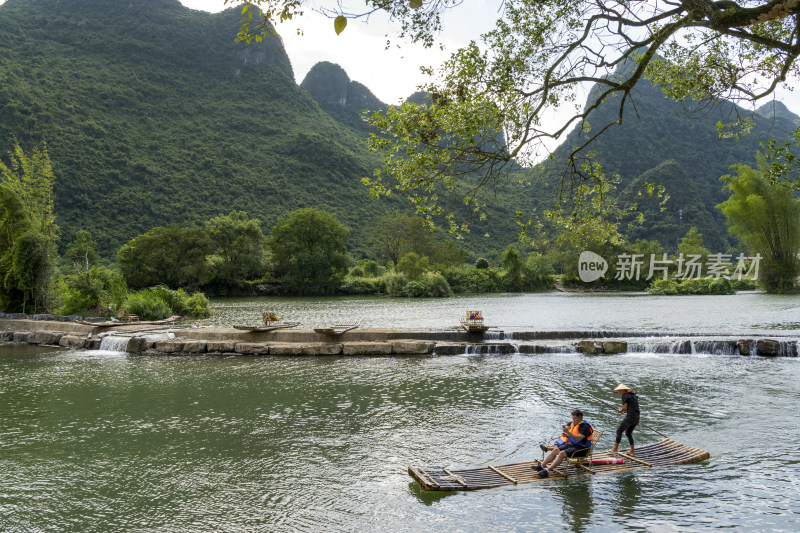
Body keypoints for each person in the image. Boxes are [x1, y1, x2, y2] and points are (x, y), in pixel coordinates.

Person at [533, 409, 594, 478]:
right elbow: (573, 435)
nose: (573, 420)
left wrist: (568, 432)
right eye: (573, 418)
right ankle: (541, 466)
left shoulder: (585, 427)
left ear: (580, 418)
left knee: (562, 453)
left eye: (575, 419)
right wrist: (567, 435)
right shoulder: (574, 424)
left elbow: (578, 438)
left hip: (582, 449)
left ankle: (547, 471)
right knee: (555, 450)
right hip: (572, 445)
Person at [610, 383, 639, 457]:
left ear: (623, 390)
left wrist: (621, 410)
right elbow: (631, 407)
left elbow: (625, 408)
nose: (619, 393)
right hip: (637, 417)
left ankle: (615, 448)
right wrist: (625, 411)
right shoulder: (633, 396)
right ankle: (632, 451)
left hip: (630, 417)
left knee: (619, 431)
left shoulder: (625, 396)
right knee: (628, 433)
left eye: (619, 391)